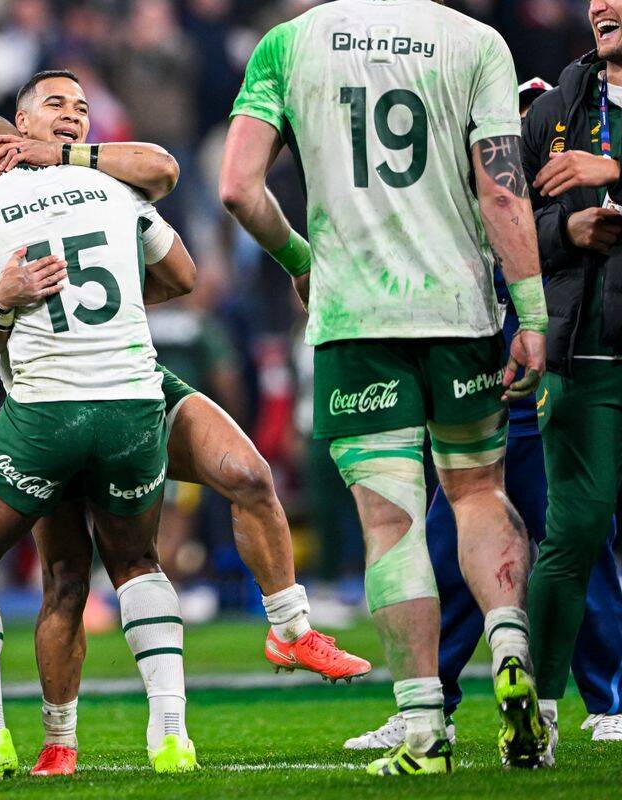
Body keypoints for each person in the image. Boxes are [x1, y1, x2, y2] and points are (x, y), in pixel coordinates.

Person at [0, 69, 369, 776]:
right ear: (19, 123)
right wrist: (7, 305)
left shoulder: (108, 181)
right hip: (50, 398)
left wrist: (111, 304)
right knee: (67, 576)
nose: (73, 114)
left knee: (247, 474)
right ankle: (59, 740)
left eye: (81, 107)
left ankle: (290, 629)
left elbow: (180, 256)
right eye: (55, 104)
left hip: (138, 384)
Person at [221, 0, 549, 775]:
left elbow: (237, 188)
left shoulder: (289, 45)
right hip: (460, 312)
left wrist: (301, 261)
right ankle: (509, 647)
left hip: (356, 321)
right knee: (477, 494)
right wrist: (532, 313)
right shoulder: (475, 42)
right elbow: (503, 191)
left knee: (391, 523)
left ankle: (423, 728)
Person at [346, 76, 622, 753]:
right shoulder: (464, 195)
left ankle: (607, 696)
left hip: (548, 362)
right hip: (488, 373)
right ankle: (432, 700)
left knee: (575, 536)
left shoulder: (556, 180)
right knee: (462, 543)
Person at [0, 111, 198, 782]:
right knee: (137, 563)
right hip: (136, 403)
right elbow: (182, 274)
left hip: (50, 412)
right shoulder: (114, 187)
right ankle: (172, 737)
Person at [521, 0, 622, 762]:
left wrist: (616, 170)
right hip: (588, 354)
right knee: (574, 531)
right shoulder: (554, 112)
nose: (600, 5)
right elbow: (508, 230)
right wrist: (568, 228)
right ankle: (539, 712)